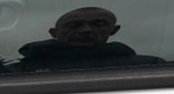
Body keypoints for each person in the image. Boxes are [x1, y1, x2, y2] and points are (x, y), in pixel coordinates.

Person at [14, 6, 164, 72]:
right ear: (54, 33)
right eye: (73, 25)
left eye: (99, 25)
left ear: (114, 30)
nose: (86, 30)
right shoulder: (17, 72)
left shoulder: (148, 67)